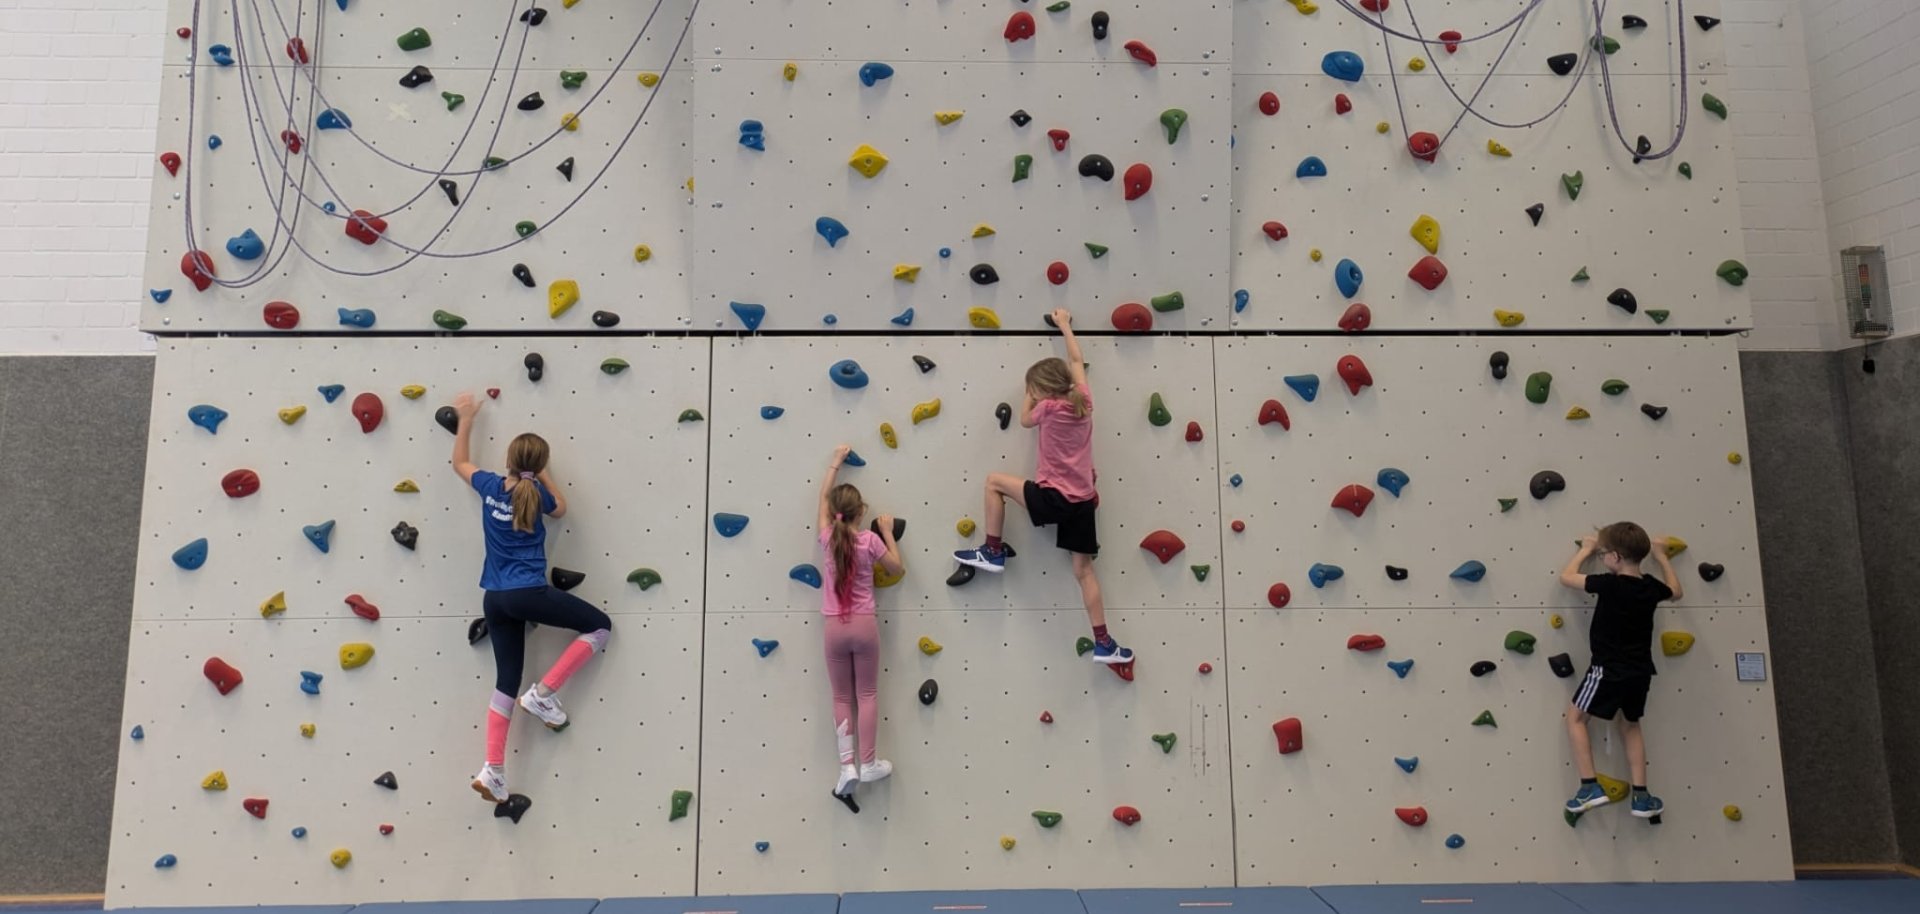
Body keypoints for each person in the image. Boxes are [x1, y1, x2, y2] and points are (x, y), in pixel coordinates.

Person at [450, 392, 612, 804]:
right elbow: (561, 509)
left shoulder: (490, 486)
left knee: (506, 683)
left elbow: (459, 463)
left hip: (494, 599)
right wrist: (541, 474)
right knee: (599, 626)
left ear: (507, 459)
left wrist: (466, 419)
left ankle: (493, 770)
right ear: (538, 465)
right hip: (527, 594)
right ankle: (543, 694)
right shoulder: (538, 494)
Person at [953, 308, 1131, 665]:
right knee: (1084, 572)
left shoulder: (1046, 409)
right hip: (1082, 503)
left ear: (1042, 391)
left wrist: (1029, 394)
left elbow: (1023, 420)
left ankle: (992, 550)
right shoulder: (1085, 401)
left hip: (1054, 499)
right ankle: (1104, 642)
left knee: (993, 482)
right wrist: (1065, 325)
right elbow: (1076, 360)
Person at [1557, 521, 1682, 819]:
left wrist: (1585, 550)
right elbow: (1676, 592)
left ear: (1615, 557)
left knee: (1575, 719)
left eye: (1603, 554)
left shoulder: (1609, 584)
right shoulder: (1650, 587)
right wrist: (1662, 557)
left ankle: (1589, 786)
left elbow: (1566, 577)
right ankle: (1641, 795)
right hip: (1640, 672)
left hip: (1607, 670)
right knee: (1630, 725)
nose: (1601, 558)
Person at [818, 446, 904, 802]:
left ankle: (847, 767)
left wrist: (835, 462)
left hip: (834, 629)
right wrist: (887, 532)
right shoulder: (869, 541)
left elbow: (823, 499)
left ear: (833, 514)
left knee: (841, 696)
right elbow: (897, 569)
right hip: (865, 626)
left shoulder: (827, 538)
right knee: (866, 695)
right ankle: (868, 763)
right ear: (862, 512)